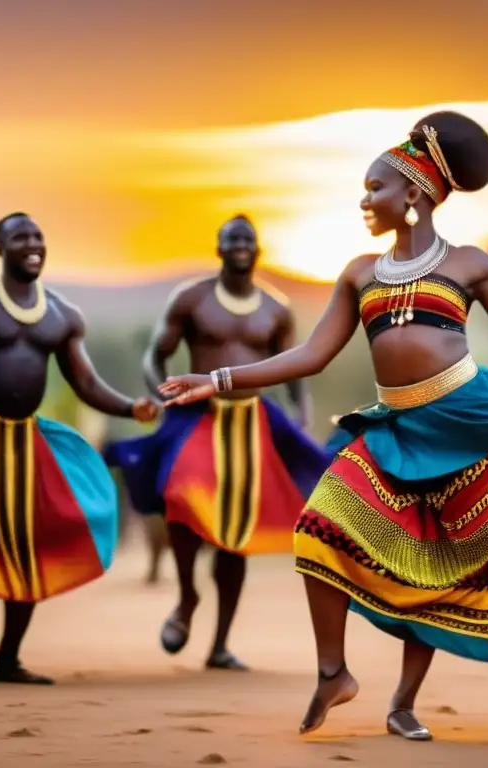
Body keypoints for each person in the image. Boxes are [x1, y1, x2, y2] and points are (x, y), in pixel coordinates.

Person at [159, 111, 488, 739]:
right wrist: (213, 380)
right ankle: (332, 673)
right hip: (396, 429)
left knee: (437, 565)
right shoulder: (356, 273)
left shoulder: (471, 266)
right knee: (318, 525)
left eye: (375, 187)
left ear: (415, 193)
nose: (364, 200)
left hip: (467, 425)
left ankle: (403, 702)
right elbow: (310, 356)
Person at [0, 212, 158, 685]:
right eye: (19, 237)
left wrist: (131, 407)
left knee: (36, 538)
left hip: (27, 439)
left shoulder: (62, 315)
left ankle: (8, 657)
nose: (32, 244)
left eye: (38, 237)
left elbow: (86, 381)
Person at [104, 215, 330, 671]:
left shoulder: (276, 308)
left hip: (252, 423)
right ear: (219, 248)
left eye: (247, 239)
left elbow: (293, 367)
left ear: (258, 250)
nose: (240, 246)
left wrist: (300, 410)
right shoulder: (191, 299)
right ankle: (187, 598)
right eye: (232, 240)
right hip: (197, 417)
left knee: (236, 534)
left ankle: (220, 644)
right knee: (182, 497)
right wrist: (157, 393)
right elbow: (157, 353)